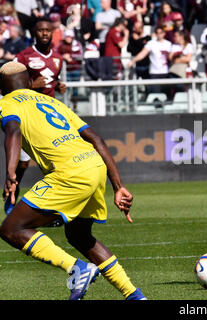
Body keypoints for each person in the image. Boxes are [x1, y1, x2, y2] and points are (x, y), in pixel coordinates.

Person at [0, 61, 147, 301]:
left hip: (70, 172)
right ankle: (134, 295)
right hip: (94, 166)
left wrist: (10, 173)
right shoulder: (50, 101)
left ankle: (76, 268)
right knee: (79, 235)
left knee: (12, 229)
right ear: (28, 82)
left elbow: (13, 131)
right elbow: (96, 138)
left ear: (2, 89)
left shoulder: (6, 104)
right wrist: (118, 186)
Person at [9, 19, 67, 219]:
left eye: (47, 30)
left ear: (52, 33)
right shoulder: (24, 56)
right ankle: (12, 191)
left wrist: (58, 85)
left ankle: (53, 206)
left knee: (54, 162)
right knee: (24, 162)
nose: (44, 33)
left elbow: (52, 81)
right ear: (35, 32)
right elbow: (9, 86)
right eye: (41, 30)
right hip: (27, 113)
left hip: (48, 116)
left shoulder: (58, 58)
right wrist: (32, 86)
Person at [128, 26, 171, 96]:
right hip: (154, 73)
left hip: (165, 72)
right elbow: (142, 54)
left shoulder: (168, 44)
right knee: (156, 94)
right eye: (157, 33)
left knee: (166, 94)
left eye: (161, 33)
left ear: (164, 33)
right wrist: (133, 60)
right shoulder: (151, 43)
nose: (159, 35)